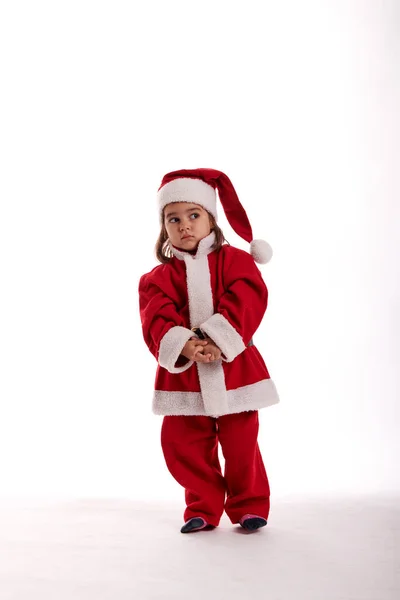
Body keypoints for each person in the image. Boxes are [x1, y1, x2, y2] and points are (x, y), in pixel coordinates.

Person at [138, 168, 280, 534]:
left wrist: (220, 337)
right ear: (163, 227)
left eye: (194, 215)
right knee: (181, 442)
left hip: (234, 368)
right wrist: (183, 343)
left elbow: (248, 297)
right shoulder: (158, 278)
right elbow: (156, 316)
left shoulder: (236, 262)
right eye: (174, 218)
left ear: (211, 220)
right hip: (184, 375)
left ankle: (249, 505)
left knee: (241, 441)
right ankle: (202, 505)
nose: (184, 225)